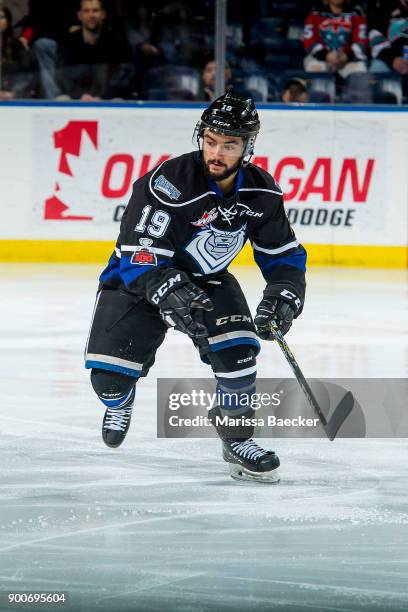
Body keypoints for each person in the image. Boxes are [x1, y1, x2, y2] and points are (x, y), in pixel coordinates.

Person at [84, 92, 307, 483]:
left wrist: (285, 293)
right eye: (211, 140)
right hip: (139, 280)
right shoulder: (168, 182)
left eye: (230, 144)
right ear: (200, 136)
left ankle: (237, 437)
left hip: (208, 280)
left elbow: (284, 256)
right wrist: (165, 288)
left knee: (238, 353)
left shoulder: (262, 192)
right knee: (109, 379)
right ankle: (119, 399)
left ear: (248, 146)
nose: (217, 152)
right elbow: (138, 253)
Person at [57, 0, 130, 100]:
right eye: (86, 11)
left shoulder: (116, 42)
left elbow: (123, 75)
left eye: (95, 10)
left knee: (119, 101)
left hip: (108, 100)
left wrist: (102, 97)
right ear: (79, 15)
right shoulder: (67, 42)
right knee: (62, 99)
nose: (91, 15)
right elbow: (61, 76)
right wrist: (80, 95)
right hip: (76, 98)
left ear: (103, 14)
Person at [304, 0, 368, 78]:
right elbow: (309, 40)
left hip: (349, 59)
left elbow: (360, 40)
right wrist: (325, 55)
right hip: (320, 58)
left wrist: (348, 56)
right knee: (315, 69)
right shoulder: (316, 13)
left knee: (359, 71)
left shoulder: (355, 13)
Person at [0, 5, 38, 100]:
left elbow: (28, 75)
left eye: (1, 17)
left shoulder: (17, 46)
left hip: (12, 99)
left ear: (8, 22)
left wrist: (15, 93)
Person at [368, 0, 408, 76]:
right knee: (377, 67)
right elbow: (376, 41)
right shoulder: (385, 5)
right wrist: (392, 59)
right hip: (395, 58)